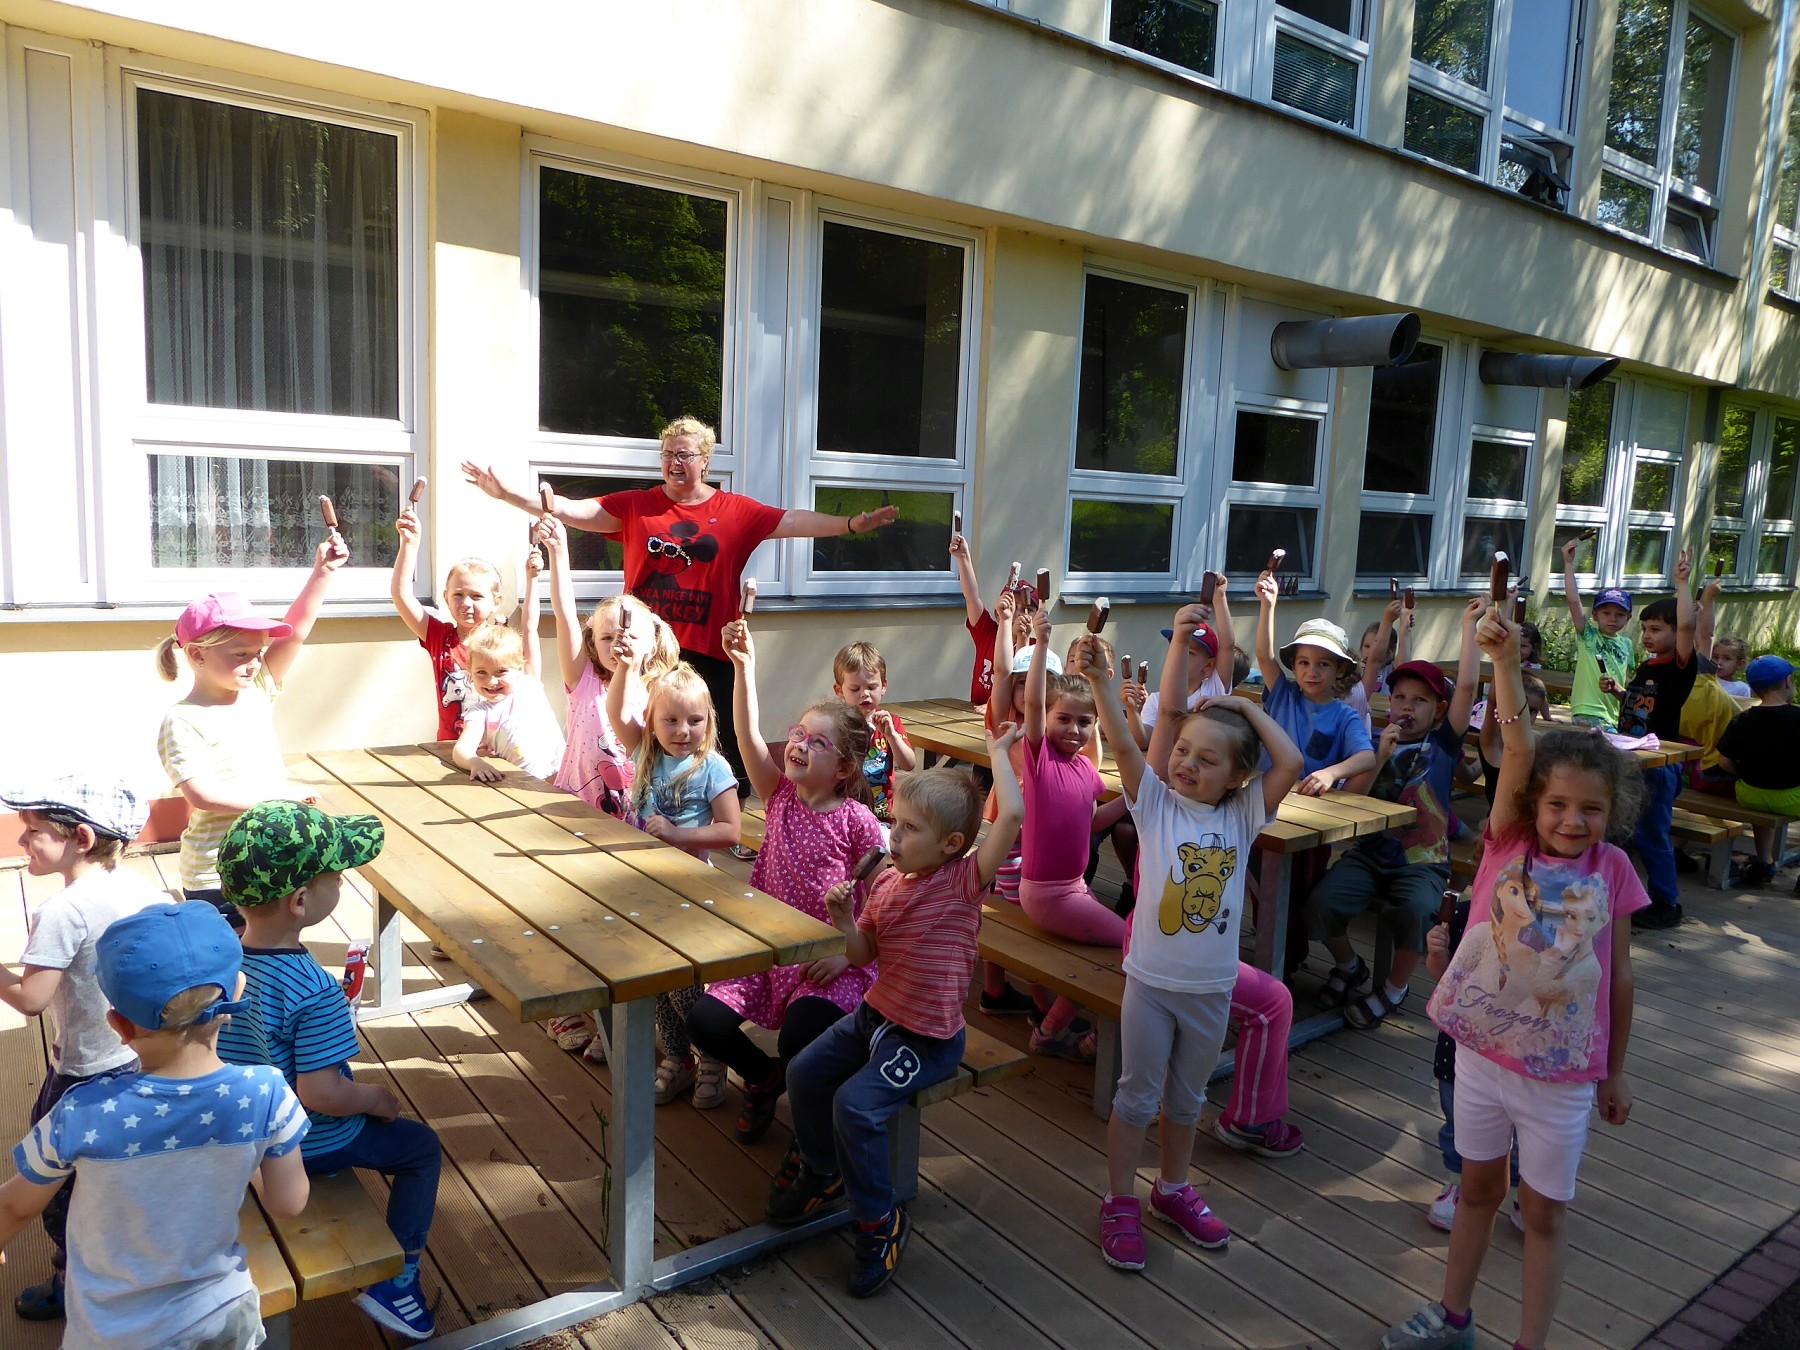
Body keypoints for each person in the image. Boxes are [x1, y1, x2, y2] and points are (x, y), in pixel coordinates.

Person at [1384, 602, 1645, 1350]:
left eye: (1591, 809)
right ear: (1533, 805)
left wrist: (1615, 1071)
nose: (1572, 820)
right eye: (1558, 804)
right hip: (1480, 1057)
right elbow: (1519, 746)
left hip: (1561, 1076)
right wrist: (1502, 662)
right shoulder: (1507, 842)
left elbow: (1620, 978)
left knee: (1543, 1213)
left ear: (1611, 812)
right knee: (1477, 1189)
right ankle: (1454, 1318)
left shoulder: (1614, 870)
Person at [462, 416, 899, 791]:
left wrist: (850, 524)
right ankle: (651, 806)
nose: (674, 462)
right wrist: (508, 495)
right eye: (668, 454)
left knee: (721, 740)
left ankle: (730, 818)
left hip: (711, 651)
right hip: (649, 654)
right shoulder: (637, 506)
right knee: (650, 739)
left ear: (705, 461)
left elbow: (793, 521)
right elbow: (570, 509)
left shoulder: (736, 511)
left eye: (684, 454)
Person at [1077, 608, 1303, 1270]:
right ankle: (1120, 1199)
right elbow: (1127, 747)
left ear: (1236, 777)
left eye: (1206, 759)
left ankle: (1172, 1189)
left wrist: (1243, 706)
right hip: (1150, 985)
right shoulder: (1155, 805)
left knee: (1186, 1100)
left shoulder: (1244, 813)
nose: (1186, 764)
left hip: (1211, 989)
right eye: (1182, 751)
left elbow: (1290, 760)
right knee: (1136, 1097)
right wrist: (1099, 683)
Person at [770, 729, 1025, 1297]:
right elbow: (864, 954)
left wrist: (998, 754)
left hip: (926, 1038)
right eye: (896, 822)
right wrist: (844, 922)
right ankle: (823, 1168)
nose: (894, 835)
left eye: (910, 828)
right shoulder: (886, 883)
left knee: (854, 1106)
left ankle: (879, 1221)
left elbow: (1011, 817)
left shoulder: (963, 883)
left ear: (951, 844)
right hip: (876, 1016)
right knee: (804, 1072)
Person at [0, 901, 309, 1350]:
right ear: (237, 990)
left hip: (114, 1335)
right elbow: (288, 1203)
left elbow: (16, 1207)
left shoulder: (83, 1110)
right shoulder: (266, 1093)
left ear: (118, 1025)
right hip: (220, 1316)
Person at [215, 802, 443, 1340]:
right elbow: (320, 1092)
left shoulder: (222, 961)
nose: (341, 882)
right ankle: (399, 1281)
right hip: (304, 1144)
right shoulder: (313, 989)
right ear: (300, 901)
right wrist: (375, 1098)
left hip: (237, 1131)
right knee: (421, 1149)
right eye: (336, 876)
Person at [687, 619, 884, 1152]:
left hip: (829, 959)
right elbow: (746, 735)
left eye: (817, 742)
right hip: (768, 950)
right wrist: (744, 667)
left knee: (802, 1038)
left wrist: (848, 953)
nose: (800, 745)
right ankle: (763, 1078)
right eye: (798, 733)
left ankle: (813, 1136)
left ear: (843, 768)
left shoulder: (858, 821)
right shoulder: (778, 795)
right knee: (704, 1021)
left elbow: (885, 901)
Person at [0, 777, 167, 1323]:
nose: (22, 841)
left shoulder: (63, 911)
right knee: (115, 1174)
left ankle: (79, 1278)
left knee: (57, 1183)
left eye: (33, 831)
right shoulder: (140, 886)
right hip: (137, 1056)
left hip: (82, 1072)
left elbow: (30, 999)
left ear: (82, 837)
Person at [156, 526, 348, 931]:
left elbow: (297, 631)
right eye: (240, 654)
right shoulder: (183, 719)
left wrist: (323, 573)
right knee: (230, 955)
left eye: (259, 653)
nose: (254, 663)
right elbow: (202, 796)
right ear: (197, 655)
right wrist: (279, 799)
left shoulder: (258, 690)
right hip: (217, 872)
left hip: (266, 857)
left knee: (267, 947)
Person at [537, 516, 680, 1056]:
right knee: (573, 916)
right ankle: (572, 1008)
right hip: (579, 818)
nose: (618, 641)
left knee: (625, 921)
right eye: (606, 636)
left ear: (654, 640)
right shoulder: (583, 681)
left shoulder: (661, 688)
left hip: (636, 822)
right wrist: (559, 555)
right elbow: (564, 613)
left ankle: (623, 1020)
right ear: (591, 645)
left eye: (630, 634)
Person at [1308, 603, 1480, 1028]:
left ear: (1438, 709)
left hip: (1422, 861)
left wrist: (1468, 625)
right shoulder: (1371, 742)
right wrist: (1379, 759)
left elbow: (1468, 686)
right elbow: (1351, 799)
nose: (1407, 707)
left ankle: (1395, 988)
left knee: (1417, 910)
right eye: (1400, 697)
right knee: (1319, 903)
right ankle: (1349, 965)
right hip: (1369, 854)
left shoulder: (1444, 743)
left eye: (1420, 701)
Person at [614, 662, 740, 1107]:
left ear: (709, 720)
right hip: (644, 888)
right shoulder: (645, 753)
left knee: (681, 982)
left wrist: (677, 834)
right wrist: (625, 664)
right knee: (654, 978)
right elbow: (616, 713)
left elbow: (731, 831)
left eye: (694, 719)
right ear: (651, 719)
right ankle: (678, 1055)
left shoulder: (712, 767)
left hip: (688, 893)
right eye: (670, 719)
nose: (683, 730)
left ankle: (712, 1053)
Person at [1253, 575, 1378, 977]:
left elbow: (1366, 756)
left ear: (1340, 669)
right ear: (1293, 666)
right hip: (1266, 809)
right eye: (1304, 662)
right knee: (1259, 885)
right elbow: (1263, 655)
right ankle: (1274, 958)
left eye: (1323, 664)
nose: (1311, 671)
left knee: (1301, 891)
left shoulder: (1343, 715)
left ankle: (1285, 962)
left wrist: (1330, 772)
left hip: (1310, 821)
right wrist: (1268, 606)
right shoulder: (1283, 694)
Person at [1013, 606, 1123, 1062]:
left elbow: (1092, 822)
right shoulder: (1041, 760)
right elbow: (1033, 703)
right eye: (1064, 719)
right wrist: (1041, 644)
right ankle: (1057, 1031)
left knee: (1119, 946)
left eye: (1084, 722)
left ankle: (1057, 1027)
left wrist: (1133, 801)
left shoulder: (1084, 769)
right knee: (1131, 946)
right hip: (1047, 894)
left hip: (1073, 888)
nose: (1074, 730)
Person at [1423, 890, 1524, 1235]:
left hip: (1517, 1048)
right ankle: (1459, 1184)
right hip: (1459, 1047)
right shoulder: (1466, 914)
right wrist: (1437, 952)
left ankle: (1523, 1193)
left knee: (1519, 1130)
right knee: (1457, 1122)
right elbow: (1442, 978)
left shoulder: (1544, 924)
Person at [391, 491, 530, 741]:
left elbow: (531, 633)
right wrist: (409, 544)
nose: (466, 604)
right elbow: (401, 595)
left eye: (476, 596)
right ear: (446, 597)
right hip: (450, 749)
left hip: (499, 749)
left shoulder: (503, 641)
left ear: (496, 602)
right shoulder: (439, 637)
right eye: (458, 595)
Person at [1614, 550, 1697, 929]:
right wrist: (1619, 693)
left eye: (1657, 629)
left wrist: (1682, 584)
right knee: (1624, 832)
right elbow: (1643, 707)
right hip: (1631, 759)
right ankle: (1628, 895)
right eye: (1645, 628)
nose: (1648, 635)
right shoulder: (1648, 665)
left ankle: (1666, 903)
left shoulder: (1680, 667)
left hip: (1660, 765)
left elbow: (1687, 627)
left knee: (1652, 836)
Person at [1715, 656, 1800, 888]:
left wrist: (1745, 774)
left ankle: (1765, 861)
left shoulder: (1742, 719)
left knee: (1763, 799)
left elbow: (1724, 761)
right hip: (1792, 799)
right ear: (1788, 681)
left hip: (1750, 795)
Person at [1122, 579, 1237, 750]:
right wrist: (1132, 710)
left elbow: (1227, 646)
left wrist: (1219, 598)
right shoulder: (1156, 700)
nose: (1180, 656)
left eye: (1189, 652)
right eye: (1177, 648)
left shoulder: (1214, 689)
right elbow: (1143, 741)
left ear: (1208, 666)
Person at [451, 624, 566, 783]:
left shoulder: (529, 684)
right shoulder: (480, 713)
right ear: (470, 672)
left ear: (519, 668)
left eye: (501, 671)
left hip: (564, 776)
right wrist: (475, 763)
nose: (491, 681)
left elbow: (530, 627)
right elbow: (462, 749)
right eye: (481, 672)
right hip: (524, 786)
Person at [833, 641, 916, 826]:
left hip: (882, 816)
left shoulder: (891, 722)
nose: (865, 694)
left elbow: (909, 764)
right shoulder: (835, 725)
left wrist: (892, 736)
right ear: (839, 691)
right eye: (855, 689)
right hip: (845, 817)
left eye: (871, 687)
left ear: (883, 686)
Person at [1561, 538, 1634, 730]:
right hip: (1587, 711)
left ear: (1628, 618)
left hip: (1613, 715)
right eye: (1606, 613)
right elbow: (1573, 602)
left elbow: (1627, 680)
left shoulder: (1627, 644)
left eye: (1620, 615)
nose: (1613, 619)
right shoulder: (1588, 635)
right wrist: (1568, 564)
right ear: (1595, 615)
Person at [949, 529, 1003, 707]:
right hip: (974, 714)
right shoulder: (988, 633)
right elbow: (972, 598)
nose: (1017, 613)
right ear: (997, 612)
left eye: (1027, 609)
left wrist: (995, 706)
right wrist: (963, 558)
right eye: (1011, 606)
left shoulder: (1033, 648)